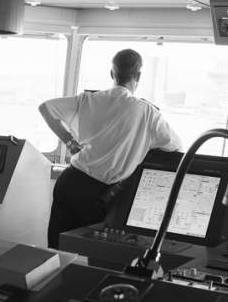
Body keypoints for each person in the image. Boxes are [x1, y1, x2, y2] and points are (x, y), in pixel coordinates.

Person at [39, 49, 184, 248]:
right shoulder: (147, 112)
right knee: (91, 254)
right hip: (97, 195)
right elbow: (175, 146)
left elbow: (45, 108)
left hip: (70, 182)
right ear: (138, 76)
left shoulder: (88, 99)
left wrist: (71, 143)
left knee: (56, 251)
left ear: (112, 74)